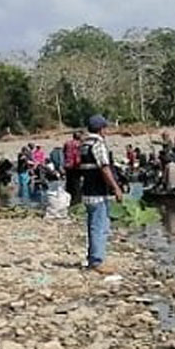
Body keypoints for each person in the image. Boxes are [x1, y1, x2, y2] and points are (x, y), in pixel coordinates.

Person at [79, 115, 124, 274]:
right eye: (105, 128)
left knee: (93, 225)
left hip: (87, 191)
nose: (107, 131)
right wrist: (116, 188)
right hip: (97, 192)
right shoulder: (98, 144)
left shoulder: (84, 144)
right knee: (100, 226)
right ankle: (97, 261)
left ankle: (93, 258)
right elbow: (104, 168)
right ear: (101, 129)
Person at [63, 133, 83, 205]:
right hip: (76, 166)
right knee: (77, 183)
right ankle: (77, 201)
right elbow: (79, 155)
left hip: (68, 165)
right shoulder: (80, 144)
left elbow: (64, 153)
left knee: (69, 183)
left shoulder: (67, 143)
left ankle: (68, 200)